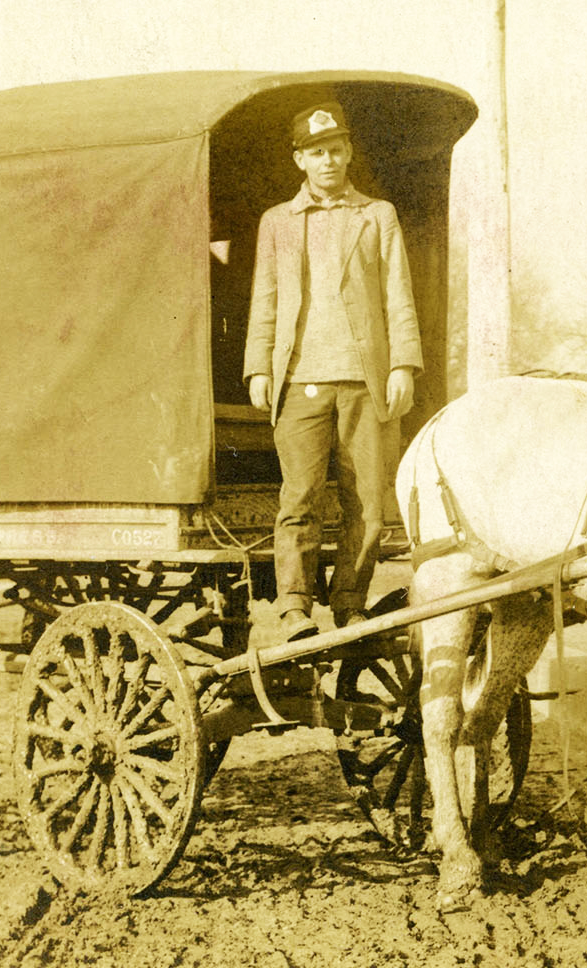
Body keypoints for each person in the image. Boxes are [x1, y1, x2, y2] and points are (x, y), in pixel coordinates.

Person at [243, 101, 422, 641]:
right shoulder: (277, 221)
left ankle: (350, 601)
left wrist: (403, 365)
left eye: (336, 150)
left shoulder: (377, 215)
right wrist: (259, 368)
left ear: (349, 154)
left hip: (366, 383)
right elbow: (266, 298)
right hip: (298, 381)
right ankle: (295, 606)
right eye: (316, 152)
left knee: (367, 502)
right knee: (299, 497)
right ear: (300, 159)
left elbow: (399, 295)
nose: (328, 161)